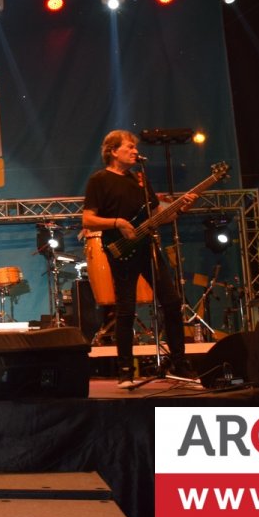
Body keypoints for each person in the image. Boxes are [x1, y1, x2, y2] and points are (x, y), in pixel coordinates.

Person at [82, 129, 194, 387]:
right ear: (113, 151)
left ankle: (179, 362)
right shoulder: (99, 180)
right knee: (126, 308)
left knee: (172, 301)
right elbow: (87, 219)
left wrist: (182, 207)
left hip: (147, 247)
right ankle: (125, 370)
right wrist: (117, 222)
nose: (135, 151)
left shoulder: (140, 180)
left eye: (135, 147)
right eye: (129, 147)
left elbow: (158, 215)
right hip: (121, 249)